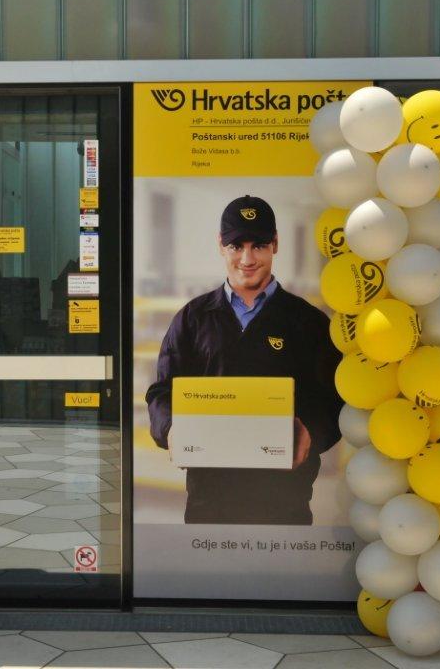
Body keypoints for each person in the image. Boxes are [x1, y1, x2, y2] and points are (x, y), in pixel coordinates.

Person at [146, 195, 344, 525]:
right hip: (209, 500)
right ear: (221, 246)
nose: (247, 259)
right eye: (236, 246)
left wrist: (311, 431)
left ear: (275, 244)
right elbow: (162, 392)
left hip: (284, 499)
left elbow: (333, 398)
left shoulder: (308, 322)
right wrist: (170, 428)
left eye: (259, 245)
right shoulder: (193, 318)